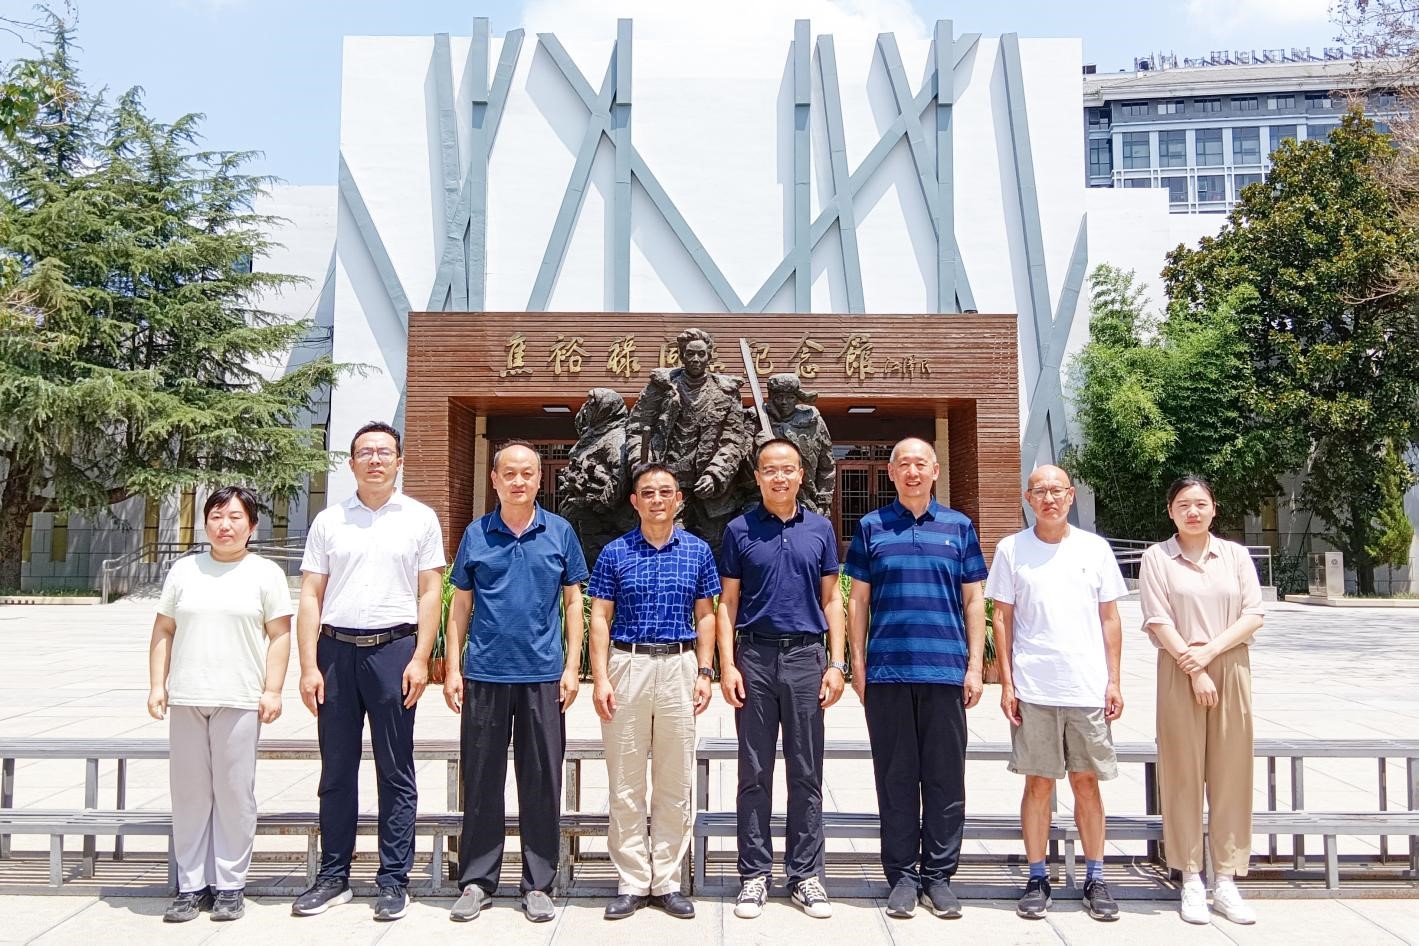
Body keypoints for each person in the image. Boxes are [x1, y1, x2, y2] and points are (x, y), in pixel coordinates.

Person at [291, 421, 445, 921]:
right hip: (335, 653)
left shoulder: (420, 518)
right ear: (351, 461)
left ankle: (394, 879)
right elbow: (311, 594)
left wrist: (421, 657)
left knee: (395, 769)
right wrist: (308, 665)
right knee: (336, 769)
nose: (375, 459)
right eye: (365, 452)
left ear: (399, 461)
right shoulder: (329, 521)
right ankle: (333, 876)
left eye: (384, 451)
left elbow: (430, 592)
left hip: (393, 652)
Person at [442, 440, 589, 923]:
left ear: (540, 479)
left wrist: (572, 666)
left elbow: (573, 601)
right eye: (510, 473)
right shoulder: (476, 533)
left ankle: (538, 883)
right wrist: (453, 667)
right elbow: (460, 605)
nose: (519, 481)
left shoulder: (560, 531)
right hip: (485, 672)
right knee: (482, 779)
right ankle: (477, 881)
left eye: (528, 473)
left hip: (543, 675)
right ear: (495, 480)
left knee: (542, 781)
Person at [844, 437, 987, 920]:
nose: (912, 471)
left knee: (945, 779)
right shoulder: (871, 527)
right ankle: (903, 876)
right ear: (890, 473)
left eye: (920, 464)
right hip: (888, 672)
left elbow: (974, 600)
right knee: (895, 778)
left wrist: (974, 666)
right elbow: (857, 600)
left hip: (945, 672)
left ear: (935, 471)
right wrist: (857, 665)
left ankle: (939, 877)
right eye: (903, 464)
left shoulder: (959, 527)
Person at [985, 465, 1126, 923]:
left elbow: (1110, 619)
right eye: (1040, 491)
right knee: (1038, 783)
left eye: (1056, 491)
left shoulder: (1094, 549)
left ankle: (1096, 877)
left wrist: (1114, 680)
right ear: (1027, 498)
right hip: (1034, 687)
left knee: (1087, 783)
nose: (1049, 498)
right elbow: (1001, 618)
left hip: (1086, 687)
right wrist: (1007, 683)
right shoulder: (1011, 549)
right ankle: (1037, 877)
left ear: (1071, 495)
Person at [147, 486, 293, 923]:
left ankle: (230, 884)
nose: (224, 525)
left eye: (234, 517)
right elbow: (164, 630)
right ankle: (191, 885)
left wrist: (272, 690)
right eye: (215, 516)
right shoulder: (184, 570)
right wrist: (157, 685)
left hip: (239, 697)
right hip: (188, 696)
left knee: (234, 793)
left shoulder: (265, 574)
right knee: (189, 793)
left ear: (252, 525)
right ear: (205, 522)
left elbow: (280, 635)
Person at [717, 439, 845, 920]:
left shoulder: (820, 529)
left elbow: (832, 599)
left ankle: (805, 875)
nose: (779, 477)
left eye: (788, 469)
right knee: (753, 771)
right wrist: (728, 665)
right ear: (758, 477)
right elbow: (728, 602)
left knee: (806, 770)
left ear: (800, 475)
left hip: (806, 657)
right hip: (754, 657)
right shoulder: (739, 530)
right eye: (770, 470)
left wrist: (836, 663)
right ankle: (754, 875)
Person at [588, 462, 720, 921]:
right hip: (629, 665)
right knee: (625, 781)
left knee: (674, 779)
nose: (657, 499)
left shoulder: (698, 551)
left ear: (679, 499)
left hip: (680, 666)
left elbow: (706, 614)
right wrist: (600, 677)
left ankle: (666, 880)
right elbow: (600, 617)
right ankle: (631, 880)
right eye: (648, 492)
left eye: (666, 492)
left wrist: (705, 671)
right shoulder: (615, 552)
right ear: (635, 501)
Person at [1139, 475, 1265, 927]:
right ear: (1170, 512)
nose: (1192, 512)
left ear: (1214, 508)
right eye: (1183, 505)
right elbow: (1157, 619)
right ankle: (1191, 876)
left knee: (1232, 772)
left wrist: (1208, 655)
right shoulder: (1157, 558)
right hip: (1179, 668)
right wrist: (1194, 668)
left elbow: (1253, 614)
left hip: (1229, 666)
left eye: (1200, 504)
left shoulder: (1235, 555)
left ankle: (1226, 878)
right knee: (1182, 773)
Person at [626, 328, 751, 557]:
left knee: (713, 546)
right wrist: (642, 467)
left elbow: (734, 439)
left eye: (701, 354)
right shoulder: (662, 387)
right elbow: (637, 427)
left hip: (711, 489)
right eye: (690, 353)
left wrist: (715, 474)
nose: (695, 359)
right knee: (666, 541)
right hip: (668, 483)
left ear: (709, 356)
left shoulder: (726, 392)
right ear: (682, 356)